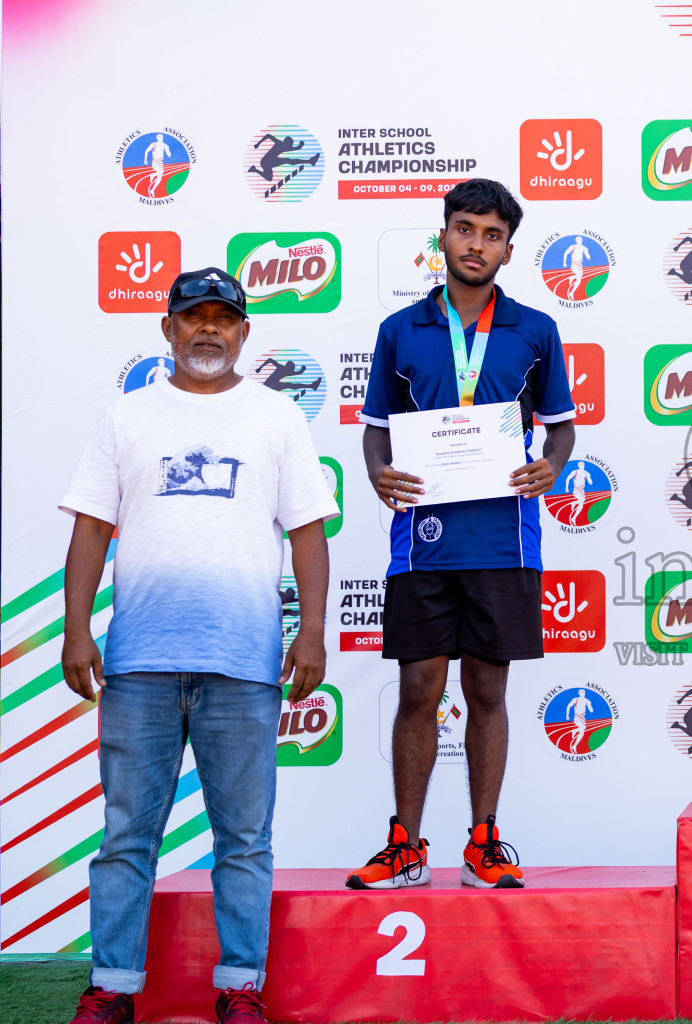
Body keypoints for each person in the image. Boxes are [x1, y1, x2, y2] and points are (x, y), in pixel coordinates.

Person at [59, 269, 337, 1024]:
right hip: (140, 662)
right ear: (168, 329)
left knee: (244, 839)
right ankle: (112, 989)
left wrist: (309, 631)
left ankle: (240, 987)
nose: (208, 330)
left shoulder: (277, 416)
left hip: (244, 663)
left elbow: (308, 532)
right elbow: (91, 525)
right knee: (126, 836)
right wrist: (76, 626)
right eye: (194, 318)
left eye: (224, 318)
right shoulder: (128, 415)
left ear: (245, 333)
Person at [348, 178, 576, 890]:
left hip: (505, 540)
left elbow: (562, 426)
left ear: (509, 249)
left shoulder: (535, 330)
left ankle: (483, 841)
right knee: (419, 688)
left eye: (491, 235)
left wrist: (550, 465)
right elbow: (377, 434)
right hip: (422, 541)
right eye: (464, 229)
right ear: (441, 235)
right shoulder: (400, 330)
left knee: (487, 689)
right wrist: (381, 476)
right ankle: (405, 845)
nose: (475, 244)